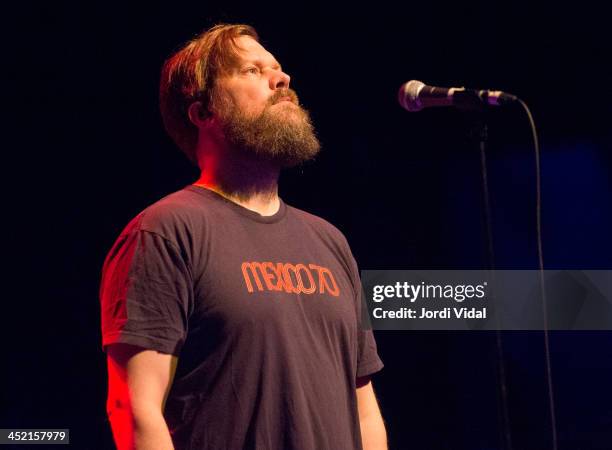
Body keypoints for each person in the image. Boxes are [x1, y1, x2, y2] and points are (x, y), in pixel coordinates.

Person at [100, 23, 386, 450]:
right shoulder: (165, 232)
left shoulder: (331, 241)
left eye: (277, 68)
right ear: (203, 113)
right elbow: (135, 410)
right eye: (251, 70)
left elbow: (363, 408)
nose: (281, 79)